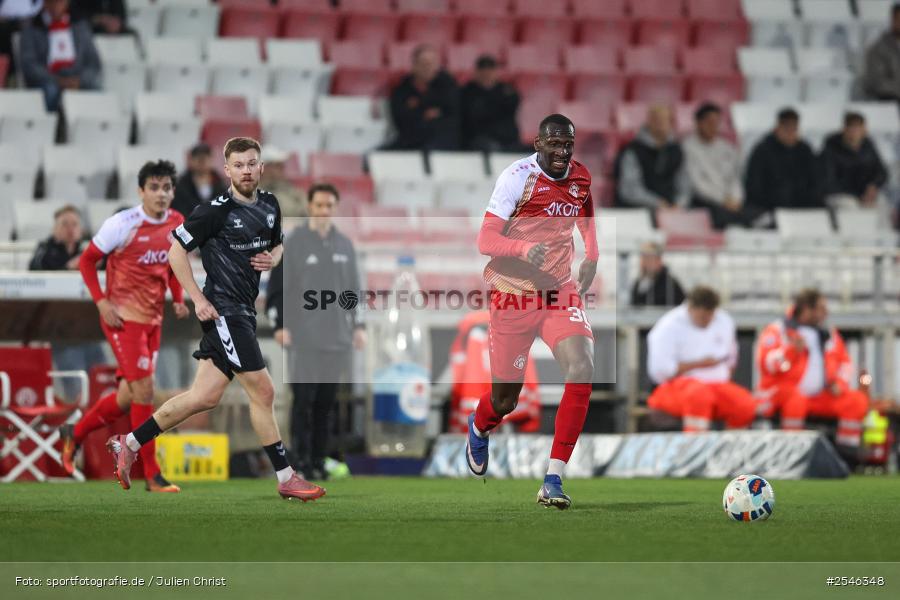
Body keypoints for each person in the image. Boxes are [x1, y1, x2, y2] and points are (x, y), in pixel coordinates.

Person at [105, 137, 325, 501]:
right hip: (224, 312)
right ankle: (286, 477)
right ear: (227, 170)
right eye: (238, 165)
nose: (246, 170)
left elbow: (279, 242)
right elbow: (175, 253)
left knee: (202, 397)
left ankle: (128, 443)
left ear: (261, 167)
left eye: (252, 163)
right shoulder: (214, 211)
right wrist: (198, 299)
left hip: (244, 312)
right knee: (264, 390)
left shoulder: (270, 204)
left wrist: (274, 256)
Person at [465, 113, 598, 509]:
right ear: (538, 144)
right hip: (513, 294)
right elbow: (485, 238)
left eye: (567, 145)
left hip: (559, 291)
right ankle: (480, 423)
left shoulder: (580, 177)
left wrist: (592, 253)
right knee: (506, 400)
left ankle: (553, 477)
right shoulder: (516, 178)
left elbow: (585, 209)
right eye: (553, 144)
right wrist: (523, 249)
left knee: (582, 365)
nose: (561, 152)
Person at [60, 160, 188, 492]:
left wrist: (176, 297)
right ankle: (152, 474)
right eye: (154, 188)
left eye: (167, 188)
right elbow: (88, 261)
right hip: (123, 319)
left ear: (173, 191)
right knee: (145, 391)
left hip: (153, 321)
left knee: (127, 397)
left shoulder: (177, 222)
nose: (161, 194)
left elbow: (173, 265)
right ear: (141, 191)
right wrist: (102, 303)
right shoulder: (122, 224)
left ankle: (74, 432)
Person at [269, 183, 366, 480]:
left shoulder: (344, 245)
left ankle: (320, 459)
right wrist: (279, 324)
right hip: (303, 336)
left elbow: (353, 290)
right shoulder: (294, 243)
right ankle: (299, 462)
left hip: (336, 337)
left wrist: (358, 326)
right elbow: (277, 288)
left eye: (329, 206)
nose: (324, 211)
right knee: (303, 401)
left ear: (334, 209)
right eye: (319, 205)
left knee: (327, 404)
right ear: (310, 207)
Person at [756, 289, 868, 455]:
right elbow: (767, 364)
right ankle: (790, 453)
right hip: (782, 393)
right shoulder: (778, 330)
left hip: (820, 395)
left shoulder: (829, 334)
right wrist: (791, 351)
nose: (826, 312)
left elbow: (845, 363)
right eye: (821, 308)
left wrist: (840, 383)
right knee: (795, 400)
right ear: (807, 309)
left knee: (856, 400)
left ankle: (846, 456)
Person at [646, 286, 757, 433]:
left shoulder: (724, 321)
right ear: (691, 308)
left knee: (745, 403)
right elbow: (660, 371)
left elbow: (730, 359)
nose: (707, 321)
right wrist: (700, 364)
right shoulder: (668, 327)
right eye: (702, 317)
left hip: (716, 385)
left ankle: (733, 451)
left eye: (711, 316)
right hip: (675, 387)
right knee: (699, 397)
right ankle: (695, 448)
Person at [19, 0, 101, 111]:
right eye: (52, 2)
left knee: (95, 91)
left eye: (60, 2)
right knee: (50, 91)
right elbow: (29, 64)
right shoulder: (32, 28)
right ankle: (50, 126)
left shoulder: (80, 25)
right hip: (48, 80)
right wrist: (56, 80)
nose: (56, 7)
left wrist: (79, 80)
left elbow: (93, 62)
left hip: (77, 79)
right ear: (45, 4)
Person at [683, 102, 753, 229]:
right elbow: (697, 184)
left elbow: (735, 178)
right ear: (698, 123)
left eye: (716, 122)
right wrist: (723, 201)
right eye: (709, 122)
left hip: (731, 202)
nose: (713, 126)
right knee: (724, 219)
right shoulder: (687, 148)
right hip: (705, 202)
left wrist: (736, 198)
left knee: (759, 217)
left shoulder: (728, 148)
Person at [744, 108, 820, 217]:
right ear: (778, 128)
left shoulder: (805, 150)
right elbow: (754, 186)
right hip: (768, 207)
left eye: (794, 129)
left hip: (801, 206)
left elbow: (814, 181)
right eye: (787, 129)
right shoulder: (762, 150)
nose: (790, 133)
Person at [614, 104, 690, 210]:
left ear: (671, 123)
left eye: (665, 120)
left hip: (670, 210)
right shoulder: (633, 150)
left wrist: (679, 204)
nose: (661, 124)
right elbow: (629, 190)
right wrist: (657, 203)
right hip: (637, 210)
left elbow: (684, 185)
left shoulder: (677, 151)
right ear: (648, 122)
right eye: (656, 119)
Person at [387, 44, 460, 151]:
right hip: (411, 139)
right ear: (414, 65)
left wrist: (420, 110)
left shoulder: (449, 86)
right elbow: (400, 119)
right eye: (424, 63)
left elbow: (453, 116)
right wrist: (426, 114)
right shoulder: (402, 90)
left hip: (442, 142)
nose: (428, 67)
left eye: (432, 63)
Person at [819, 112, 888, 211]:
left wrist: (873, 186)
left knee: (882, 202)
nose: (854, 132)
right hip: (838, 195)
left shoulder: (868, 146)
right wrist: (858, 195)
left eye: (858, 128)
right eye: (851, 127)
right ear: (844, 129)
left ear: (864, 130)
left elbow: (882, 172)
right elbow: (829, 182)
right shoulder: (831, 148)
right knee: (850, 205)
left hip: (864, 195)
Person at [460, 54, 522, 153]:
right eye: (483, 71)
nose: (486, 74)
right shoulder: (466, 92)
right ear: (476, 72)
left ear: (496, 72)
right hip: (479, 139)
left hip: (507, 139)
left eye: (490, 71)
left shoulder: (508, 91)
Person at [171, 143, 227, 219]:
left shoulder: (222, 186)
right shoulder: (180, 187)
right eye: (198, 157)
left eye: (205, 157)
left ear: (211, 159)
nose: (202, 160)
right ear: (191, 160)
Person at [863, 2, 900, 103]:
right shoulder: (878, 48)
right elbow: (877, 82)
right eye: (898, 19)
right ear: (893, 20)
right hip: (889, 101)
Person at [28, 204, 84, 271]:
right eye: (65, 224)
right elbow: (35, 270)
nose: (70, 229)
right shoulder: (44, 250)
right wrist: (68, 268)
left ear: (81, 229)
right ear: (55, 228)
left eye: (74, 224)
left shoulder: (83, 251)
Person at [629, 241, 685, 307]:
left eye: (648, 258)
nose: (643, 262)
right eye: (642, 257)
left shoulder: (670, 285)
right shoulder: (639, 282)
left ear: (659, 260)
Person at [260, 146, 306, 219]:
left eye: (282, 165)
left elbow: (303, 198)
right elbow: (286, 212)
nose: (283, 168)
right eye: (278, 166)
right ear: (265, 168)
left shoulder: (283, 185)